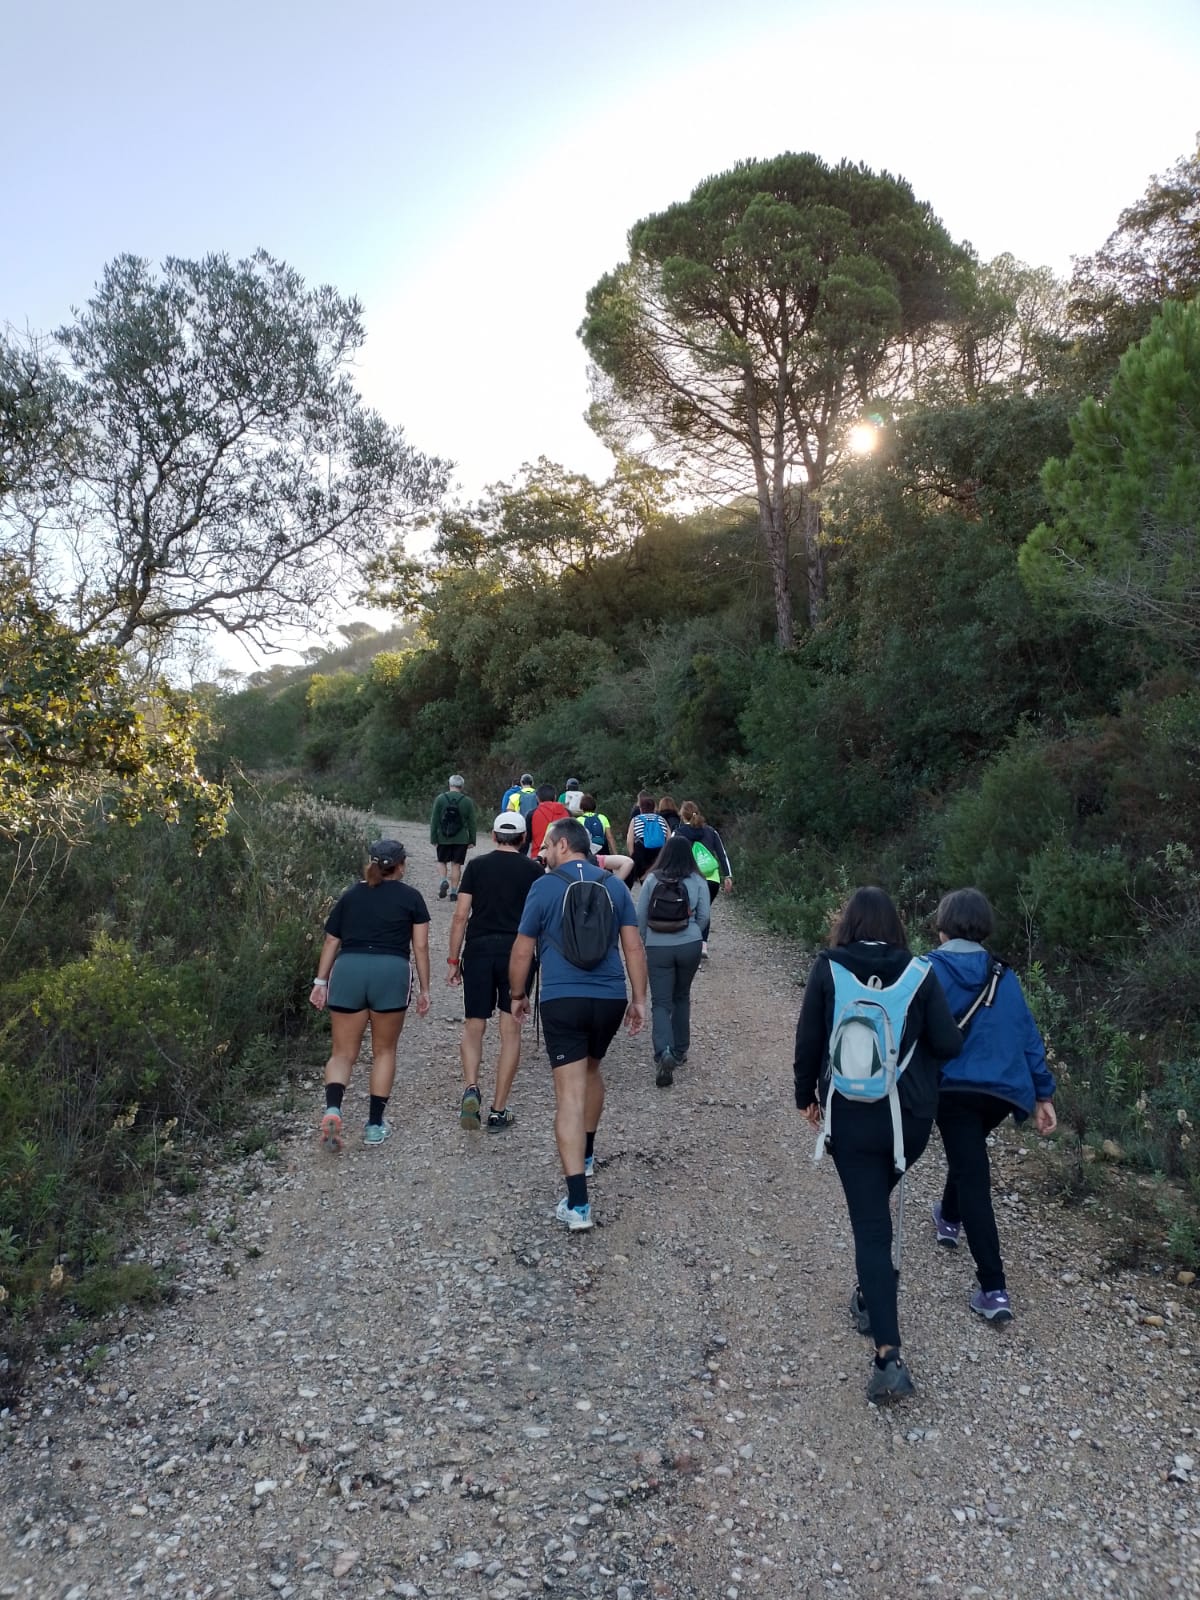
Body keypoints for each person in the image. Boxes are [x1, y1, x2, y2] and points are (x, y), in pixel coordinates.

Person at [793, 886, 962, 1402]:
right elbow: (948, 1045)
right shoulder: (920, 974)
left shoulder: (828, 966)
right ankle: (872, 1294)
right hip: (907, 1122)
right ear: (895, 926)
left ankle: (888, 1354)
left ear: (847, 922)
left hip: (848, 1117)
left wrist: (807, 1097)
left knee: (871, 1227)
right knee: (877, 1213)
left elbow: (808, 1040)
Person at [510, 818, 648, 1231]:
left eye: (548, 846)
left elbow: (522, 949)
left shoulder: (545, 886)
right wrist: (640, 1000)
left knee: (569, 1094)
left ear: (562, 845)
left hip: (563, 997)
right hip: (609, 997)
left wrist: (517, 994)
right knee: (591, 1069)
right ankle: (586, 1155)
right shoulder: (615, 886)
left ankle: (578, 1205)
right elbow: (633, 946)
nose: (545, 853)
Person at [927, 887, 1058, 1324]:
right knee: (968, 1158)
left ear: (942, 926)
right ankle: (947, 1217)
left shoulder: (926, 969)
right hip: (1001, 1093)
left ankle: (994, 1289)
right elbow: (1028, 1036)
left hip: (952, 1090)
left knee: (973, 1172)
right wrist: (1043, 1094)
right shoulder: (1005, 975)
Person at [309, 839, 431, 1148]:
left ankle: (333, 1108)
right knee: (384, 1052)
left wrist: (320, 982)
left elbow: (331, 942)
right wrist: (425, 988)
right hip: (391, 972)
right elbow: (420, 946)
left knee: (342, 1053)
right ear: (401, 865)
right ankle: (375, 1124)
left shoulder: (351, 895)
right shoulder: (412, 898)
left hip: (349, 969)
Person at [446, 812, 545, 1132]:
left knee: (474, 1025)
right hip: (518, 954)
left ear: (493, 835)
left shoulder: (475, 866)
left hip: (478, 951)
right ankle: (498, 1110)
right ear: (523, 838)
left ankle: (471, 1088)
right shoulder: (533, 871)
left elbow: (461, 916)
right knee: (510, 1030)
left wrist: (452, 960)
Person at [636, 834, 710, 1087]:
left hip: (658, 945)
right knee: (681, 996)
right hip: (689, 943)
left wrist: (649, 941)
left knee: (660, 1002)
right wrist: (692, 934)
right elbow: (704, 917)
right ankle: (680, 1050)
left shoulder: (652, 879)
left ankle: (663, 1052)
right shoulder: (698, 880)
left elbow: (641, 916)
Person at [673, 801, 733, 957]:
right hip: (711, 879)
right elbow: (722, 854)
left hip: (688, 878)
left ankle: (687, 942)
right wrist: (728, 875)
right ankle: (703, 945)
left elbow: (670, 856)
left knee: (687, 910)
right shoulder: (711, 832)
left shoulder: (678, 833)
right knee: (703, 910)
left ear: (682, 815)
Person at [430, 774, 478, 899]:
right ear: (462, 786)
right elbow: (472, 822)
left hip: (443, 837)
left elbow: (434, 819)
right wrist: (472, 839)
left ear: (450, 785)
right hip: (461, 838)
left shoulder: (440, 799)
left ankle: (443, 880)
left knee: (441, 861)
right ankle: (453, 892)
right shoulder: (467, 801)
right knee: (456, 865)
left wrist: (434, 837)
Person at [625, 791, 667, 884]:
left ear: (641, 808)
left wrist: (633, 855)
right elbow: (669, 837)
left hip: (642, 852)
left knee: (639, 880)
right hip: (659, 853)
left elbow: (629, 840)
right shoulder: (661, 819)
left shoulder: (636, 820)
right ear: (654, 808)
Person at [528, 783, 570, 857]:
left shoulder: (532, 814)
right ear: (555, 797)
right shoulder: (567, 813)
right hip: (563, 857)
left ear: (537, 798)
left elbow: (526, 840)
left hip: (539, 857)